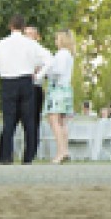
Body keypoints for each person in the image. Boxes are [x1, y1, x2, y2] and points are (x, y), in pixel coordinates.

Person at [0, 14, 50, 164]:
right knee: (28, 121)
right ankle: (28, 157)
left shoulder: (2, 44)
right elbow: (49, 59)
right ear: (23, 28)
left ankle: (6, 156)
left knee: (9, 120)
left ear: (10, 26)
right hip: (26, 81)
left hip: (8, 81)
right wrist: (38, 76)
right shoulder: (30, 44)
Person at [36, 29, 76, 164]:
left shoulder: (61, 54)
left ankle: (61, 152)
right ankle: (65, 150)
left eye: (57, 38)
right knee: (61, 122)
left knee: (54, 120)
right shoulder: (68, 55)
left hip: (58, 90)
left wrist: (45, 71)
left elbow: (57, 71)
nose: (55, 41)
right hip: (66, 89)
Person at [24, 25, 50, 157]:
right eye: (26, 34)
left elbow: (49, 64)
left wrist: (39, 73)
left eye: (30, 34)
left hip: (35, 87)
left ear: (37, 37)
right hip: (20, 86)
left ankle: (31, 153)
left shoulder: (42, 50)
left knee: (33, 121)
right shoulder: (20, 51)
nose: (28, 37)